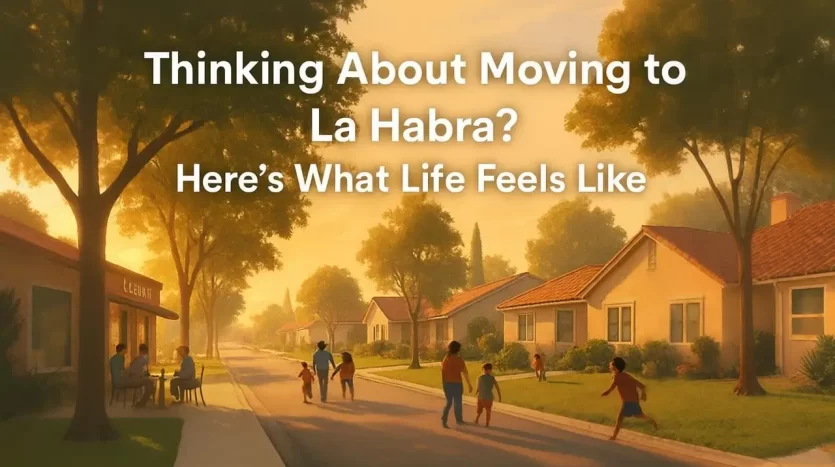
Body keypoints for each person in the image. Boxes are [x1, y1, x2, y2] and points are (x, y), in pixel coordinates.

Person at [601, 357, 658, 440]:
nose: (609, 365)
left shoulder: (617, 377)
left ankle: (614, 436)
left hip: (627, 402)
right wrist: (643, 394)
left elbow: (610, 389)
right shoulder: (627, 376)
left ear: (615, 367)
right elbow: (642, 386)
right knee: (639, 415)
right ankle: (652, 421)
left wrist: (603, 394)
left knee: (620, 418)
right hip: (634, 401)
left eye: (611, 364)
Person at [440, 340, 472, 428]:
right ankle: (459, 420)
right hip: (457, 383)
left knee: (449, 402)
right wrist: (469, 384)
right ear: (458, 350)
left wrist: (444, 383)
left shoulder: (446, 359)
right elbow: (465, 372)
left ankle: (444, 418)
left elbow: (442, 371)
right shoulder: (459, 360)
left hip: (447, 383)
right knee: (458, 402)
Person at [125, 343, 155, 407]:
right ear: (145, 351)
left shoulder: (136, 359)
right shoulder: (144, 359)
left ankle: (143, 401)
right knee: (151, 383)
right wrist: (146, 375)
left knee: (149, 383)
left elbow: (131, 370)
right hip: (136, 379)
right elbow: (144, 372)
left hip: (131, 378)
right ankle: (142, 402)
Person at [474, 363, 502, 427]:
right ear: (490, 370)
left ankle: (477, 419)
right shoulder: (492, 378)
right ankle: (487, 423)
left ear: (483, 370)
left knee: (479, 410)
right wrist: (499, 396)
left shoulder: (480, 377)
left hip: (481, 396)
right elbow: (497, 387)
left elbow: (478, 387)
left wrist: (476, 393)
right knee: (488, 410)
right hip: (489, 397)